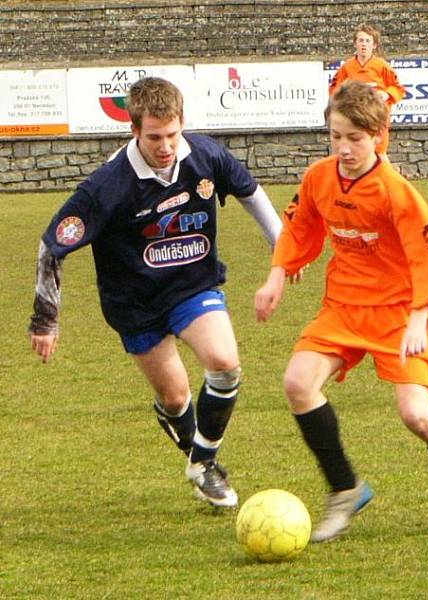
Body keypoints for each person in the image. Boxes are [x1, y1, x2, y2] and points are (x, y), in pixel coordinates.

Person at [254, 81, 428, 541]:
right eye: (336, 136)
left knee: (417, 416)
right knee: (297, 383)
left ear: (379, 136)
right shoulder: (319, 178)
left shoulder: (395, 191)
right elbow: (298, 226)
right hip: (345, 307)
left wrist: (417, 315)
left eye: (355, 138)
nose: (344, 148)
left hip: (400, 312)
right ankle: (344, 489)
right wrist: (278, 274)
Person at [28, 76, 284, 508]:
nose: (165, 146)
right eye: (154, 137)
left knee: (224, 363)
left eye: (172, 134)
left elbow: (251, 194)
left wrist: (283, 251)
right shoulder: (107, 186)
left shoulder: (205, 156)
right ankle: (196, 453)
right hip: (135, 303)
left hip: (192, 285)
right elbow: (50, 247)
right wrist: (45, 319)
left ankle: (203, 465)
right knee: (176, 396)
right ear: (133, 130)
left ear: (182, 122)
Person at [328, 23, 406, 163]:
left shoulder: (382, 66)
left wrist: (386, 94)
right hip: (355, 120)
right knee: (357, 155)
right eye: (361, 40)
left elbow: (398, 87)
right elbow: (335, 91)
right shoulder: (346, 68)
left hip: (377, 119)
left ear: (374, 45)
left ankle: (387, 183)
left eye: (368, 41)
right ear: (355, 43)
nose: (364, 44)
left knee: (380, 154)